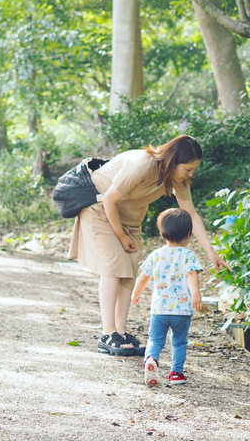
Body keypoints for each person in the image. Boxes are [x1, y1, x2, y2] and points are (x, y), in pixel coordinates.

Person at [67, 134, 226, 356]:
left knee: (130, 268)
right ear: (173, 161)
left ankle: (120, 333)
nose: (191, 174)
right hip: (101, 209)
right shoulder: (142, 164)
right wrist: (122, 237)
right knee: (114, 267)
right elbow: (109, 200)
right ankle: (107, 333)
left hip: (130, 217)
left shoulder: (177, 179)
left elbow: (191, 214)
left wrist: (211, 253)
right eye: (188, 169)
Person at [131, 208, 205, 385]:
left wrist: (136, 293)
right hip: (182, 311)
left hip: (159, 310)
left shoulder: (156, 255)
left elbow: (143, 277)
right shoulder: (188, 255)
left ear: (163, 235)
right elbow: (191, 275)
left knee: (155, 339)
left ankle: (151, 359)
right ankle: (176, 374)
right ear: (188, 234)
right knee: (179, 342)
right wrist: (196, 295)